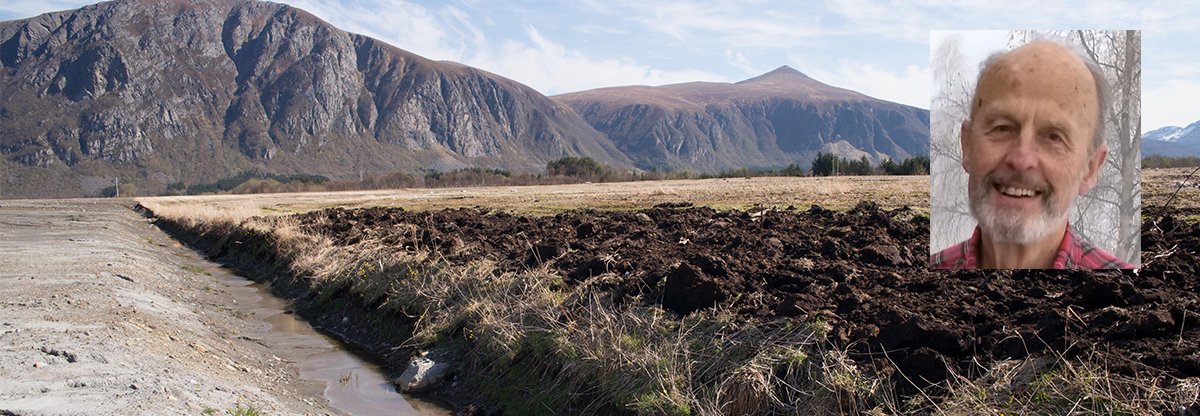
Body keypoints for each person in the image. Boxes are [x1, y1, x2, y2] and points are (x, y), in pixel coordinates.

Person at [930, 40, 1133, 269]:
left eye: (1054, 137)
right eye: (1002, 127)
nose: (1021, 159)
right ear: (966, 145)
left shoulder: (1135, 297)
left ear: (1091, 168)